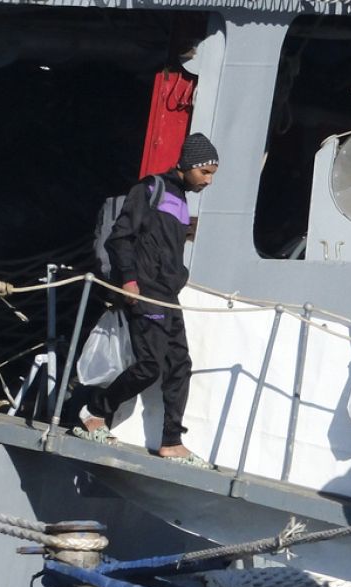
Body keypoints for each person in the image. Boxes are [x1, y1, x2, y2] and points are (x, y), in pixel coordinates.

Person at [75, 133, 219, 464]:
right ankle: (94, 411)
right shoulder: (150, 189)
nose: (208, 180)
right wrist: (129, 280)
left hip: (168, 295)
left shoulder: (181, 200)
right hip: (146, 292)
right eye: (205, 172)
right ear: (188, 165)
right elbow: (120, 237)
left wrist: (178, 273)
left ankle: (172, 441)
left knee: (180, 365)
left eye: (212, 174)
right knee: (150, 366)